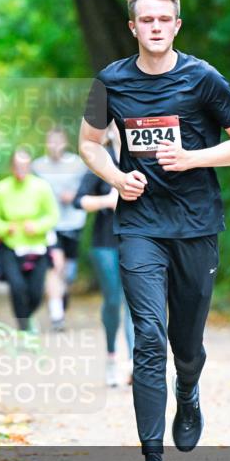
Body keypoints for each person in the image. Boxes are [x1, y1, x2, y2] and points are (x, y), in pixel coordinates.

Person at [78, 0, 230, 461]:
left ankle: (189, 390)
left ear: (176, 26)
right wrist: (115, 177)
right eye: (146, 20)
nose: (155, 27)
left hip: (197, 225)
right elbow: (89, 144)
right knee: (149, 340)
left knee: (187, 344)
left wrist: (194, 158)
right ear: (132, 27)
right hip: (139, 226)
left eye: (164, 20)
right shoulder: (109, 81)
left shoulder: (203, 79)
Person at [73, 124, 135, 387]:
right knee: (113, 300)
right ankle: (111, 357)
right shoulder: (100, 159)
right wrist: (107, 202)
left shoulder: (141, 156)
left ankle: (135, 363)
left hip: (137, 239)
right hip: (105, 242)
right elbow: (79, 200)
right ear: (108, 132)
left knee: (135, 302)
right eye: (112, 124)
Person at [0, 149, 60, 331]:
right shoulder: (1, 189)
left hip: (37, 247)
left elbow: (52, 216)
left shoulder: (41, 187)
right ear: (11, 167)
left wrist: (37, 226)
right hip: (11, 246)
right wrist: (4, 228)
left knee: (36, 292)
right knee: (17, 288)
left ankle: (28, 317)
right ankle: (24, 326)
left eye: (25, 166)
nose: (21, 170)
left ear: (30, 167)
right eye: (17, 166)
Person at [31, 127, 88, 331]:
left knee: (68, 272)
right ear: (46, 144)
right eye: (51, 142)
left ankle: (61, 296)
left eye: (58, 142)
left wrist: (74, 195)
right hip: (50, 225)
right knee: (55, 266)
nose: (54, 146)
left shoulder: (78, 165)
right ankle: (57, 316)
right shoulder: (37, 166)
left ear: (65, 143)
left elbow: (88, 187)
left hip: (74, 223)